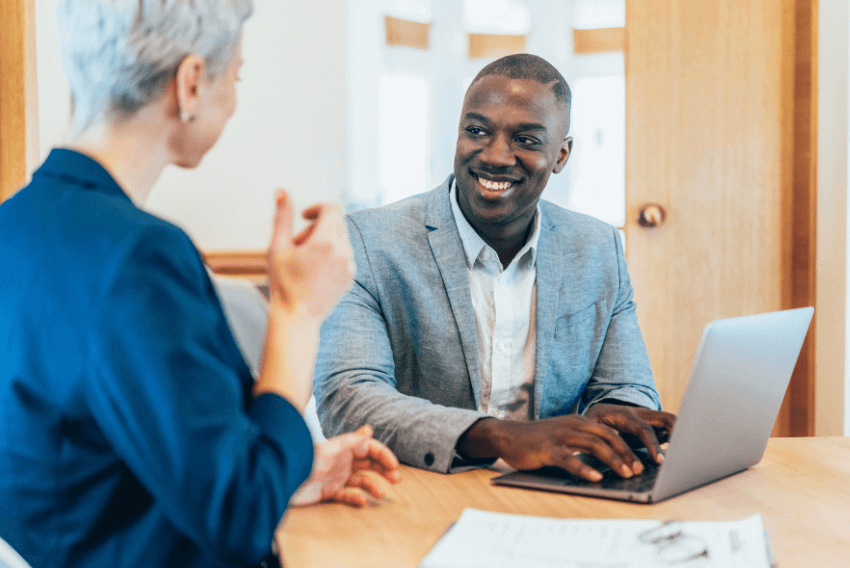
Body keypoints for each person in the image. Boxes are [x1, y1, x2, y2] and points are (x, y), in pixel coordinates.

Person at [0, 1, 399, 567]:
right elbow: (238, 515)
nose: (233, 98)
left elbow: (101, 456)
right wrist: (297, 310)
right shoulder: (140, 256)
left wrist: (287, 471)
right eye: (233, 76)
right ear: (190, 84)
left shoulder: (12, 226)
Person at [314, 54, 676, 480]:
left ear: (561, 155)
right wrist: (503, 437)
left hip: (557, 493)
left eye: (526, 139)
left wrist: (621, 416)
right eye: (477, 131)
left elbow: (626, 386)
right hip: (417, 490)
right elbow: (349, 398)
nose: (496, 156)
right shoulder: (368, 241)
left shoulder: (597, 247)